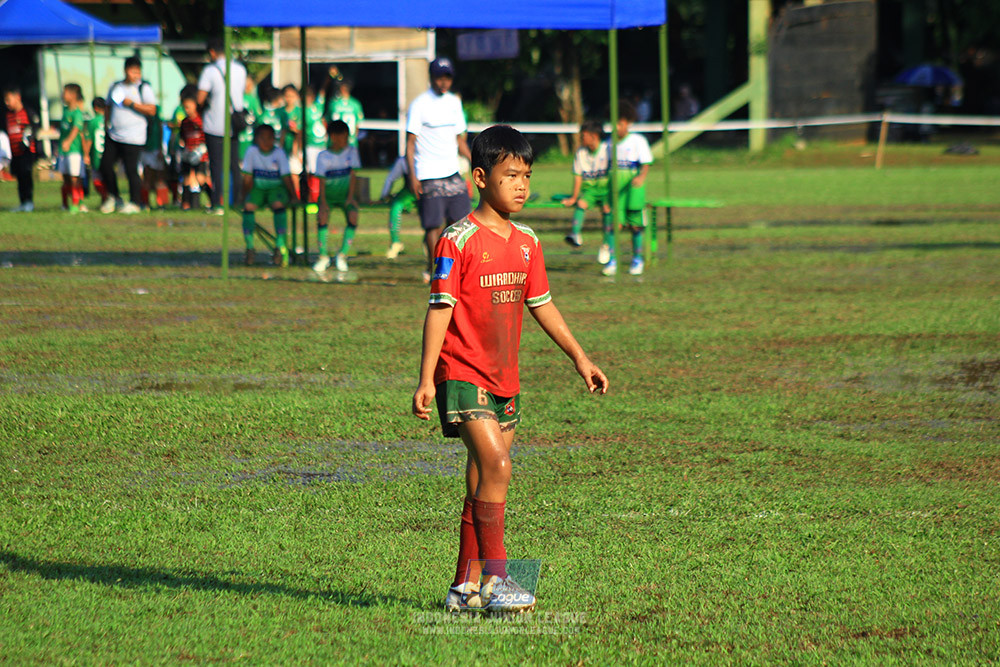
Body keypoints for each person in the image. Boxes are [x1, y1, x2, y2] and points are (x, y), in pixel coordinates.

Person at [412, 125, 609, 613]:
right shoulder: (456, 241)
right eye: (510, 175)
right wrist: (425, 378)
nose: (521, 185)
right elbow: (438, 308)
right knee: (499, 465)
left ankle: (463, 587)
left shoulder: (527, 241)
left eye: (526, 175)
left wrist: (580, 358)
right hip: (461, 375)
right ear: (480, 178)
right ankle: (498, 583)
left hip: (506, 380)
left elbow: (543, 305)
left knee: (483, 478)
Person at [406, 57, 473, 283]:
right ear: (431, 78)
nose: (443, 82)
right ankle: (439, 271)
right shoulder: (419, 104)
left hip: (452, 172)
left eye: (447, 78)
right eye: (439, 77)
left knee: (462, 222)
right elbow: (410, 143)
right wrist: (413, 177)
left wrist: (476, 163)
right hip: (428, 173)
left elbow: (460, 140)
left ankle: (459, 269)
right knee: (433, 225)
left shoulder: (454, 102)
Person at [197, 37, 247, 215]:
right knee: (234, 165)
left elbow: (200, 98)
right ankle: (238, 202)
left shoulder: (210, 70)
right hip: (235, 122)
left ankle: (218, 203)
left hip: (214, 123)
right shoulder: (240, 69)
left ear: (211, 52)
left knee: (217, 166)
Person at [101, 56, 157, 214]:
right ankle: (114, 197)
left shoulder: (143, 87)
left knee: (131, 170)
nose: (136, 75)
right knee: (105, 165)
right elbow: (108, 106)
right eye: (133, 71)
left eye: (138, 72)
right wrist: (106, 125)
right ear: (126, 70)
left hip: (134, 136)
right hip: (114, 134)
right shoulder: (116, 87)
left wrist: (131, 104)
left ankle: (135, 202)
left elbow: (152, 110)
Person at [603, 102, 653, 277]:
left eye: (621, 124)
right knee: (613, 224)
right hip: (615, 187)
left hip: (632, 188)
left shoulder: (638, 141)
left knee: (635, 224)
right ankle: (612, 260)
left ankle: (637, 258)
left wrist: (641, 177)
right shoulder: (609, 143)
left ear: (628, 123)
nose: (617, 128)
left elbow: (646, 163)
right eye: (614, 124)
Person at [241, 124, 296, 267]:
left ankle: (279, 246)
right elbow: (247, 177)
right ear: (256, 139)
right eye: (262, 138)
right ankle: (250, 247)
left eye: (269, 138)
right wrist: (243, 195)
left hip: (275, 188)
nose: (266, 141)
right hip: (258, 188)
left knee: (278, 205)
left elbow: (286, 177)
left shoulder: (279, 153)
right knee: (248, 206)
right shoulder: (251, 152)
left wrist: (293, 195)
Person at [311, 120, 360, 273]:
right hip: (329, 196)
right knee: (323, 217)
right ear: (332, 136)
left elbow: (353, 176)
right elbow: (322, 181)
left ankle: (342, 255)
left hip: (346, 196)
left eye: (346, 137)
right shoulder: (323, 156)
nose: (343, 140)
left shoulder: (352, 152)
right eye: (340, 136)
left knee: (353, 216)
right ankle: (323, 256)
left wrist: (351, 197)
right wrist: (323, 202)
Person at [561, 120, 610, 249]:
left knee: (607, 208)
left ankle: (607, 243)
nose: (581, 138)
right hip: (590, 192)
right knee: (581, 203)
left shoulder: (607, 150)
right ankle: (575, 234)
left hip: (607, 191)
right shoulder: (580, 153)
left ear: (594, 136)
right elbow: (577, 177)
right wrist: (574, 197)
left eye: (583, 136)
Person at [3, 87, 38, 212]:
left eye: (8, 99)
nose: (6, 103)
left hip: (26, 153)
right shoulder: (8, 115)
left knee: (26, 176)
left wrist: (26, 142)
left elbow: (33, 129)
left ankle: (29, 201)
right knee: (19, 178)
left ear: (17, 97)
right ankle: (22, 202)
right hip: (15, 153)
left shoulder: (27, 112)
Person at [57, 84, 87, 213]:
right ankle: (65, 204)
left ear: (73, 95)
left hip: (74, 151)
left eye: (65, 93)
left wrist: (68, 141)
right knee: (66, 177)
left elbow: (76, 129)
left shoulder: (77, 113)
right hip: (63, 151)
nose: (63, 95)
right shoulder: (65, 110)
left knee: (75, 178)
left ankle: (76, 204)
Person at [178, 93, 210, 210]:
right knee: (187, 178)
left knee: (200, 178)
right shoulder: (185, 122)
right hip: (188, 154)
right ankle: (186, 204)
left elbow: (205, 137)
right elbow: (183, 137)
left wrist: (202, 149)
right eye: (184, 107)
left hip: (200, 155)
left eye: (188, 107)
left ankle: (213, 199)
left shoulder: (201, 121)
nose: (186, 110)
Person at [380, 156, 414, 259]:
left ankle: (432, 245)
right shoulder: (403, 161)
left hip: (429, 191)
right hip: (409, 193)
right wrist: (384, 195)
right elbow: (391, 178)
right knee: (395, 207)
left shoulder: (432, 157)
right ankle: (395, 243)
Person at [139, 105, 169, 210]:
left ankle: (161, 204)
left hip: (156, 149)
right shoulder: (141, 114)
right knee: (147, 176)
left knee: (160, 177)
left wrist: (161, 148)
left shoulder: (156, 114)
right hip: (145, 150)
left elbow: (160, 131)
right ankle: (145, 203)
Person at [84, 98, 108, 208]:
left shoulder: (93, 121)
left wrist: (86, 154)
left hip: (96, 156)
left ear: (95, 108)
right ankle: (106, 200)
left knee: (97, 180)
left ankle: (106, 198)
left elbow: (89, 139)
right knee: (107, 179)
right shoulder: (109, 120)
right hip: (108, 155)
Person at [328, 78, 364, 147]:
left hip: (344, 142)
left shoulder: (334, 103)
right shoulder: (355, 104)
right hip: (343, 142)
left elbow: (357, 125)